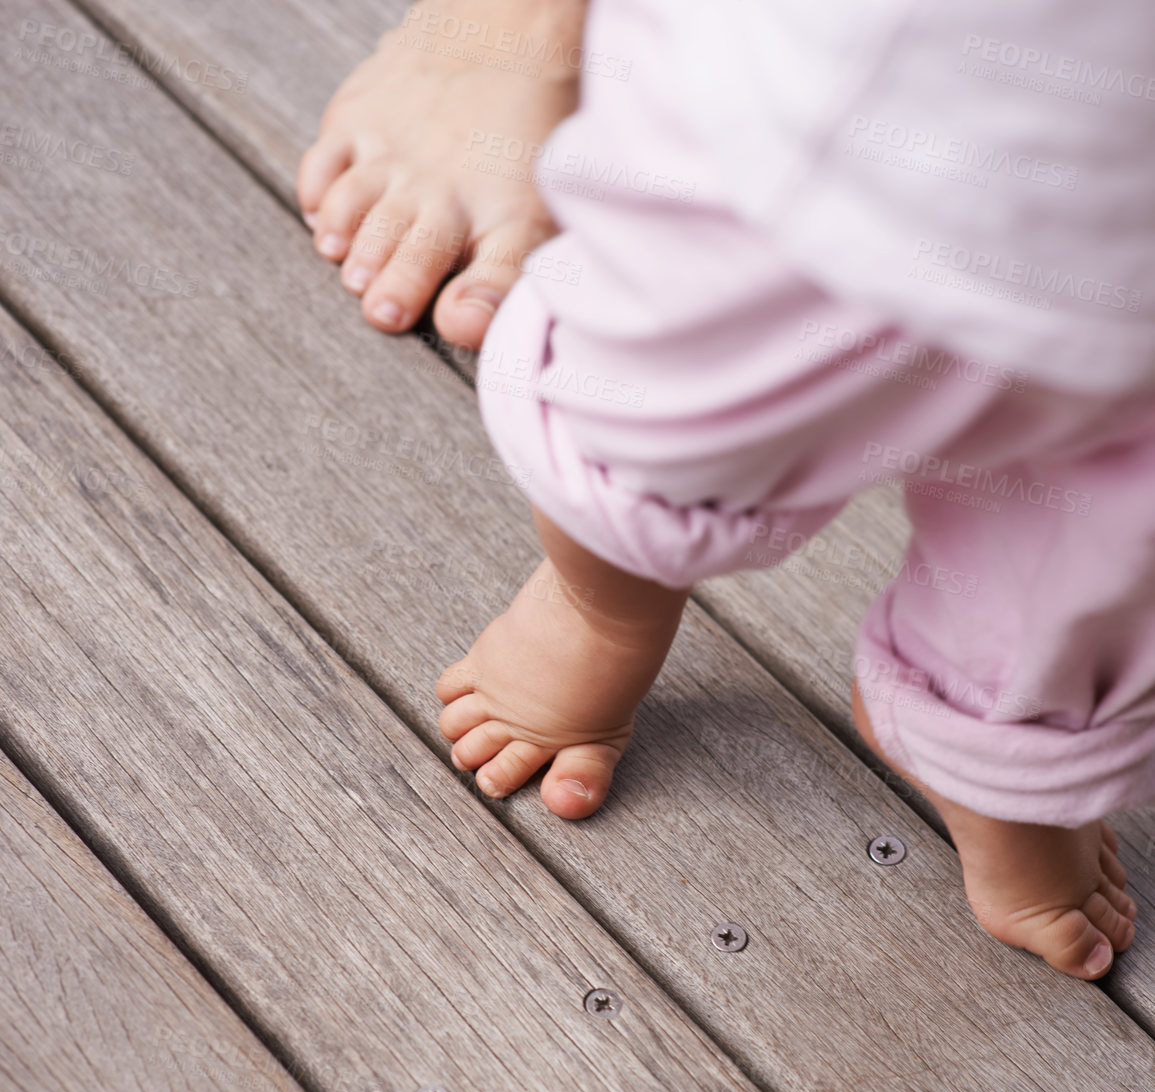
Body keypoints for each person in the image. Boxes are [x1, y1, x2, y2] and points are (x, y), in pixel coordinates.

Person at [299, 0, 1155, 981]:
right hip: (840, 110)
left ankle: (1008, 740)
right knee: (657, 396)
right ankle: (604, 607)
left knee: (1108, 529)